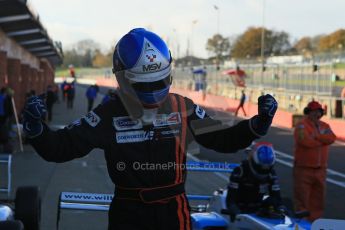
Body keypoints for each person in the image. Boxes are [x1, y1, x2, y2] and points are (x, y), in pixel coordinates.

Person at [22, 28, 278, 230]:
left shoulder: (181, 106)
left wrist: (257, 124)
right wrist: (35, 128)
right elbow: (61, 147)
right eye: (144, 85)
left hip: (174, 212)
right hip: (128, 214)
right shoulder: (106, 114)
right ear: (122, 78)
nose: (153, 94)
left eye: (159, 82)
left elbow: (223, 139)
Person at [293, 100, 336, 222]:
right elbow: (305, 141)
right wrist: (322, 141)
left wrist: (317, 136)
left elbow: (331, 138)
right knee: (302, 198)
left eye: (319, 112)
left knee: (318, 199)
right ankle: (301, 224)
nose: (316, 114)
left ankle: (315, 223)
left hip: (320, 169)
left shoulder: (325, 126)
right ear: (308, 112)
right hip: (303, 169)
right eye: (314, 112)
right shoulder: (301, 125)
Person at [226, 142, 285, 222]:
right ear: (253, 161)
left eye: (267, 168)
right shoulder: (240, 172)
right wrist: (235, 211)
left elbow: (277, 197)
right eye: (260, 168)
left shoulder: (271, 174)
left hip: (258, 211)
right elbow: (230, 200)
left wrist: (281, 208)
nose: (264, 170)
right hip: (239, 211)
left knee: (274, 202)